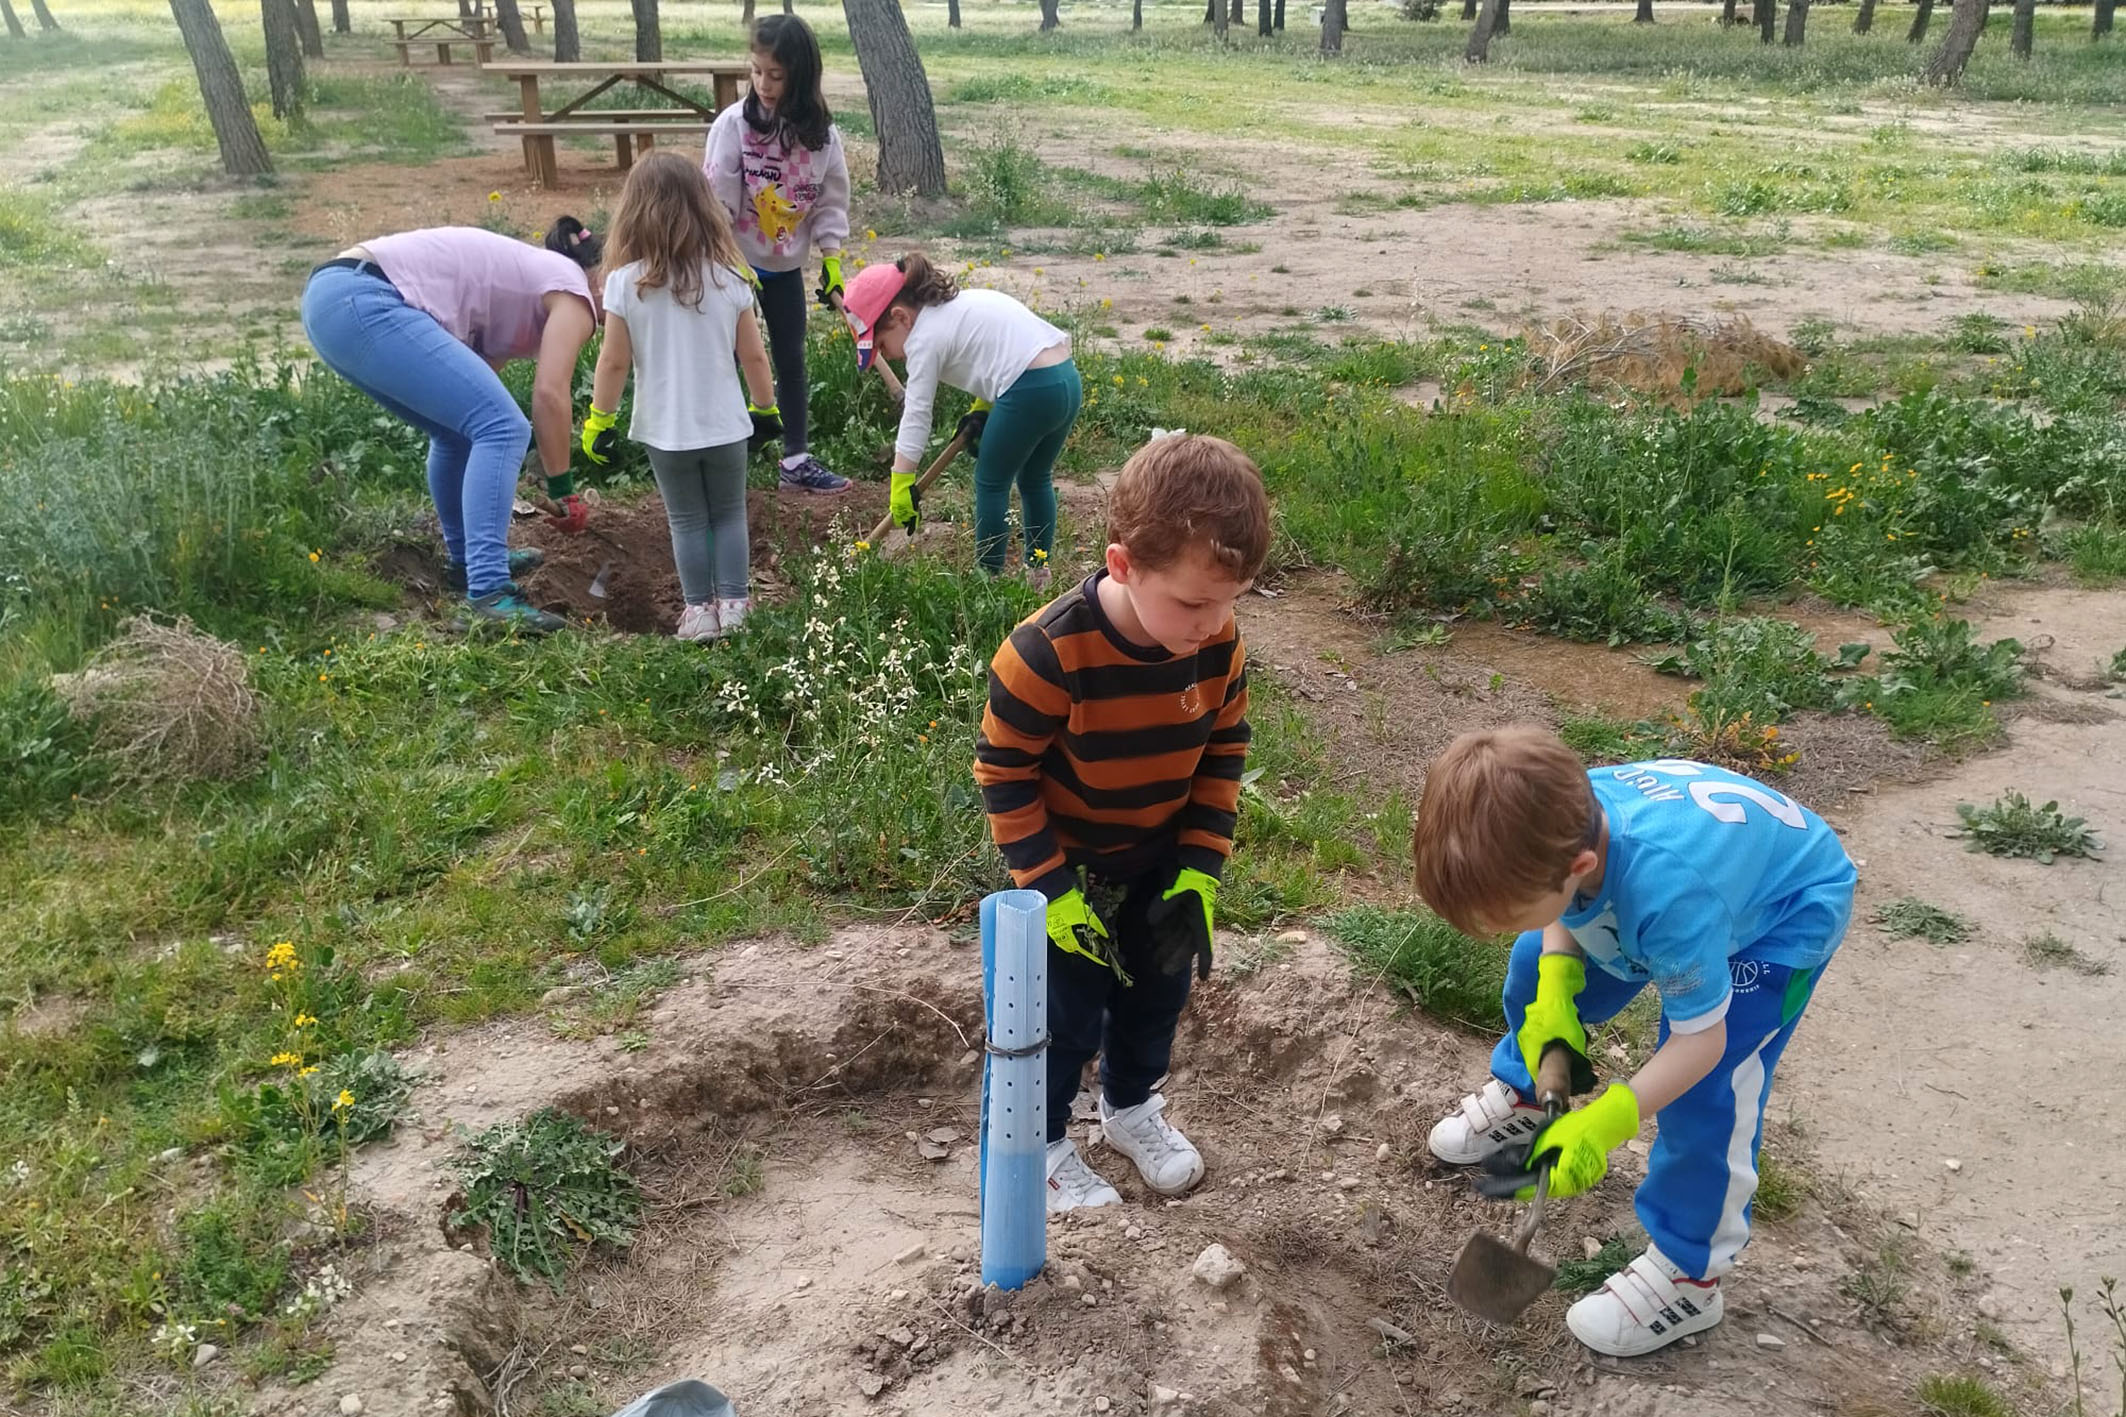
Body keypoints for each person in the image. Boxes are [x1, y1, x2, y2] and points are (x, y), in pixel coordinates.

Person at [1412, 729, 1856, 1358]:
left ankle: (1688, 1275)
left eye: (1517, 908)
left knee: (1711, 1090)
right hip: (1674, 879)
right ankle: (1532, 1094)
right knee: (1535, 960)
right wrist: (1558, 984)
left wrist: (1606, 1122)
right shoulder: (1555, 815)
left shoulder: (1669, 895)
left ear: (1580, 868)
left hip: (1779, 915)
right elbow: (1563, 913)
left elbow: (1701, 1043)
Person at [972, 434, 1270, 1213]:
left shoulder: (1216, 645)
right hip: (1064, 875)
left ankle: (1131, 1108)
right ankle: (1040, 1144)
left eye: (1230, 599)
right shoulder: (1046, 653)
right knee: (1061, 1017)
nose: (1212, 622)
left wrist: (1200, 869)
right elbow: (1002, 771)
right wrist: (1050, 889)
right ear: (1123, 564)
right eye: (1194, 601)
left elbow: (1224, 752)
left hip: (1158, 860)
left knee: (1156, 995)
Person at [299, 221, 601, 633]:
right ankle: (490, 594)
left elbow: (475, 391)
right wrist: (563, 488)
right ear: (602, 277)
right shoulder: (575, 287)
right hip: (367, 298)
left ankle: (468, 564)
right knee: (503, 427)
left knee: (460, 431)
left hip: (334, 300)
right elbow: (550, 394)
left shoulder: (529, 281)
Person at [579, 154, 781, 643]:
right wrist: (766, 409)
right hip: (727, 426)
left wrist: (597, 421)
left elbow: (612, 363)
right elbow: (754, 357)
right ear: (704, 208)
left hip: (665, 432)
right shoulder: (731, 278)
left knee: (686, 519)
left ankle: (698, 614)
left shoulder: (626, 285)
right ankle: (735, 606)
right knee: (729, 513)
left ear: (634, 212)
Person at [842, 253, 1081, 581]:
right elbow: (999, 351)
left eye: (882, 344)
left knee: (991, 481)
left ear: (900, 317)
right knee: (1035, 478)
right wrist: (981, 409)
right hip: (1065, 380)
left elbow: (917, 414)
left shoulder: (923, 339)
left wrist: (901, 481)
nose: (887, 355)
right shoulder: (960, 305)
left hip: (1028, 391)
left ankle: (988, 580)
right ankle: (1039, 574)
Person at [703, 14, 852, 494]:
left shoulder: (823, 138)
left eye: (776, 75)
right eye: (756, 72)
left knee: (790, 357)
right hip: (731, 262)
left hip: (785, 266)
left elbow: (830, 201)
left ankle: (795, 460)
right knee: (730, 355)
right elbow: (717, 202)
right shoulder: (733, 127)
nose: (763, 84)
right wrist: (728, 263)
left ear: (801, 76)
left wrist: (830, 258)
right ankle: (719, 452)